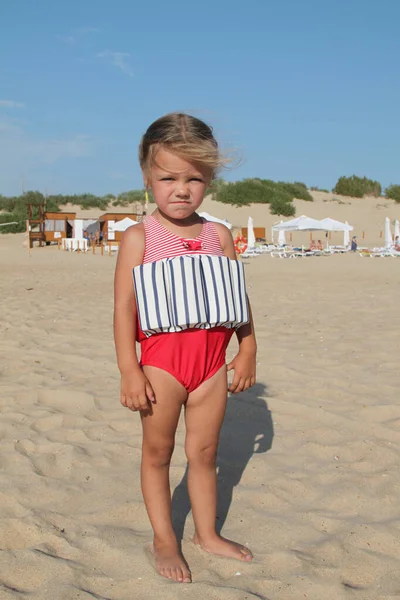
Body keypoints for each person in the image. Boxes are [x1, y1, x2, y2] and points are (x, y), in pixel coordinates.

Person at [114, 113, 257, 584]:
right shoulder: (139, 238)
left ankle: (206, 534)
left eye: (194, 178)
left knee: (205, 452)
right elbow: (123, 311)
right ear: (147, 178)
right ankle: (164, 539)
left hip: (210, 368)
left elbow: (239, 299)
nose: (181, 189)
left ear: (210, 180)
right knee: (157, 452)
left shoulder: (218, 236)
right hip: (161, 368)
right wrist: (130, 371)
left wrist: (248, 349)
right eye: (168, 178)